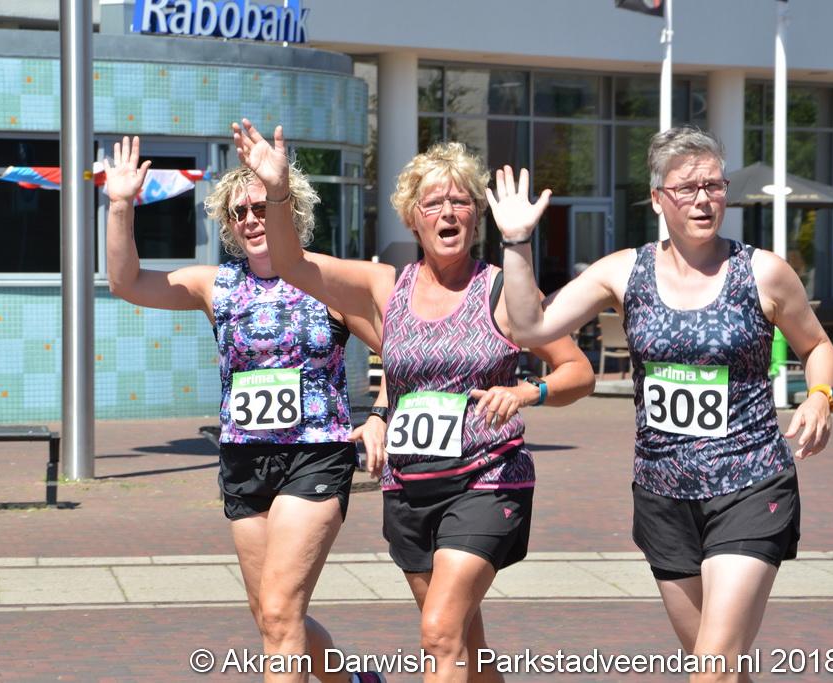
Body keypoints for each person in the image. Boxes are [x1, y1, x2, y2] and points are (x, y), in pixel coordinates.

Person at [232, 119, 596, 682]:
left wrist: (528, 390)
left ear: (476, 216)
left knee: (439, 634)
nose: (448, 213)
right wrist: (276, 191)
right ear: (412, 217)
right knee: (465, 645)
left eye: (460, 202)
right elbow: (291, 264)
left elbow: (578, 371)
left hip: (487, 480)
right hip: (410, 488)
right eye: (434, 203)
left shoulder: (502, 289)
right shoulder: (386, 287)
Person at [491, 126, 833, 682]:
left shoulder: (763, 271)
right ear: (657, 199)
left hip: (750, 483)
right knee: (718, 665)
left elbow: (817, 346)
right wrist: (516, 242)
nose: (703, 200)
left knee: (712, 667)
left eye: (714, 186)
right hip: (663, 494)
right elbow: (528, 328)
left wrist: (820, 396)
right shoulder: (623, 271)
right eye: (687, 188)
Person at [104, 136, 386, 683]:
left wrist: (379, 415)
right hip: (243, 461)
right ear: (230, 226)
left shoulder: (324, 279)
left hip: (315, 456)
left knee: (280, 613)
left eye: (261, 207)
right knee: (271, 616)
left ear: (288, 209)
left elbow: (401, 352)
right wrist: (120, 205)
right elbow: (127, 282)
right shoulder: (217, 285)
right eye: (239, 213)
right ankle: (353, 679)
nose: (252, 220)